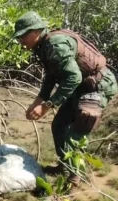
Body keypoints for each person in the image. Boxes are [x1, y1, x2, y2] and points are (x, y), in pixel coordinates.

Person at [12, 11, 117, 191]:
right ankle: (65, 166)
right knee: (59, 125)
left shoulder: (55, 44)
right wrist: (39, 99)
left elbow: (73, 77)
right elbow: (52, 75)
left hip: (97, 87)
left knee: (75, 134)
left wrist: (48, 105)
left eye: (22, 36)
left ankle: (74, 180)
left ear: (35, 32)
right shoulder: (44, 45)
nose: (20, 41)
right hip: (81, 87)